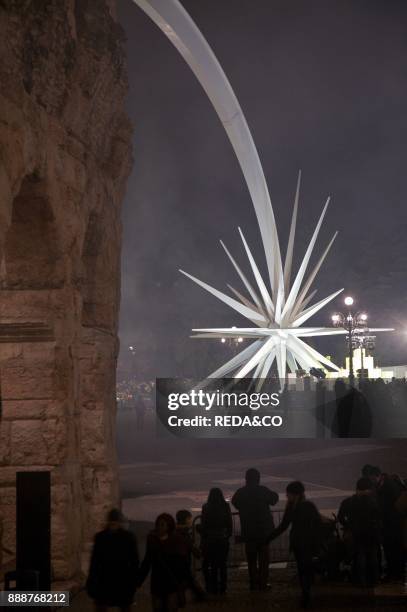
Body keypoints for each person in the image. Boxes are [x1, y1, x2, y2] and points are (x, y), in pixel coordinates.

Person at [268, 481, 322, 609]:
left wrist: (269, 537)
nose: (287, 497)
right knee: (307, 569)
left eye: (288, 494)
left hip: (298, 542)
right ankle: (307, 592)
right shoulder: (308, 506)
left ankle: (306, 594)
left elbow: (283, 526)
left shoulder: (292, 508)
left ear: (295, 494)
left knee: (302, 569)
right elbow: (317, 524)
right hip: (308, 542)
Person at [232, 468, 278, 591]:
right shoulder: (263, 491)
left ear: (246, 479)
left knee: (251, 560)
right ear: (258, 479)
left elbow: (234, 502)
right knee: (264, 560)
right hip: (264, 532)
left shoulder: (241, 492)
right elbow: (274, 499)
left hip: (249, 531)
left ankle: (253, 583)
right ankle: (263, 583)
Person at [86, 508, 139, 612]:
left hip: (116, 580)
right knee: (119, 606)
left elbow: (134, 561)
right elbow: (95, 562)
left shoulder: (101, 537)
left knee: (118, 606)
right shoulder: (127, 537)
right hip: (113, 580)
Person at [138, 513, 186, 612]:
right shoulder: (152, 540)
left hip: (171, 583)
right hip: (157, 583)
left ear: (169, 526)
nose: (159, 528)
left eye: (162, 525)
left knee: (170, 608)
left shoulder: (176, 540)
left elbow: (181, 564)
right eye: (158, 525)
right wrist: (138, 581)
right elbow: (147, 562)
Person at [338, 478, 381, 587]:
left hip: (356, 532)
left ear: (357, 489)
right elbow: (379, 517)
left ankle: (360, 581)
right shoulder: (373, 502)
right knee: (372, 556)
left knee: (359, 556)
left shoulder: (349, 502)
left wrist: (348, 526)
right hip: (371, 532)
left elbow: (340, 517)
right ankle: (374, 580)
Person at [200, 488, 233, 595]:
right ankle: (223, 587)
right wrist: (228, 535)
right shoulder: (225, 506)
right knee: (222, 564)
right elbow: (229, 522)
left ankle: (213, 587)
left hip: (210, 539)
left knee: (212, 564)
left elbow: (203, 524)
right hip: (222, 538)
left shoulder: (206, 507)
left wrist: (204, 537)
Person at [175, 509, 206, 601]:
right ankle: (199, 596)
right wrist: (198, 553)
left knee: (184, 581)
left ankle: (182, 597)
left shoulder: (176, 530)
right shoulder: (184, 532)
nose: (191, 521)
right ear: (186, 519)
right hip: (183, 560)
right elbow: (190, 545)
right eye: (189, 519)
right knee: (189, 581)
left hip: (179, 560)